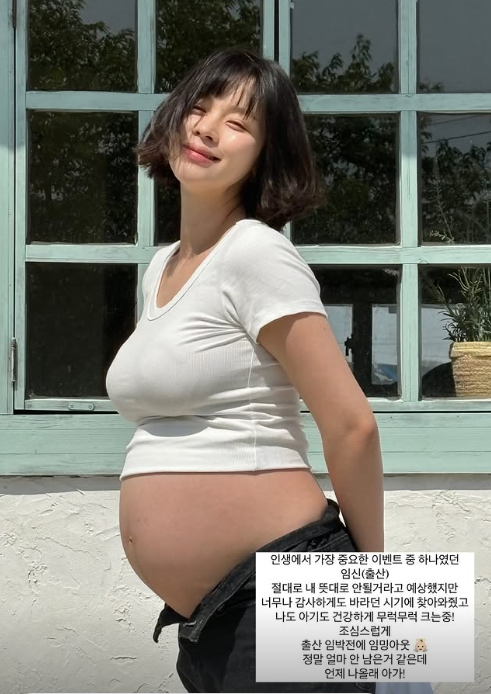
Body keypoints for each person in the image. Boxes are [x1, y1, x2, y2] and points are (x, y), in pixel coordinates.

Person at [105, 47, 384, 694]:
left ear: (264, 156)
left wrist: (368, 592)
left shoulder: (257, 252)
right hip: (210, 622)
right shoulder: (163, 265)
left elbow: (352, 425)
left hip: (285, 593)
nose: (206, 128)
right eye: (198, 109)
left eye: (237, 123)